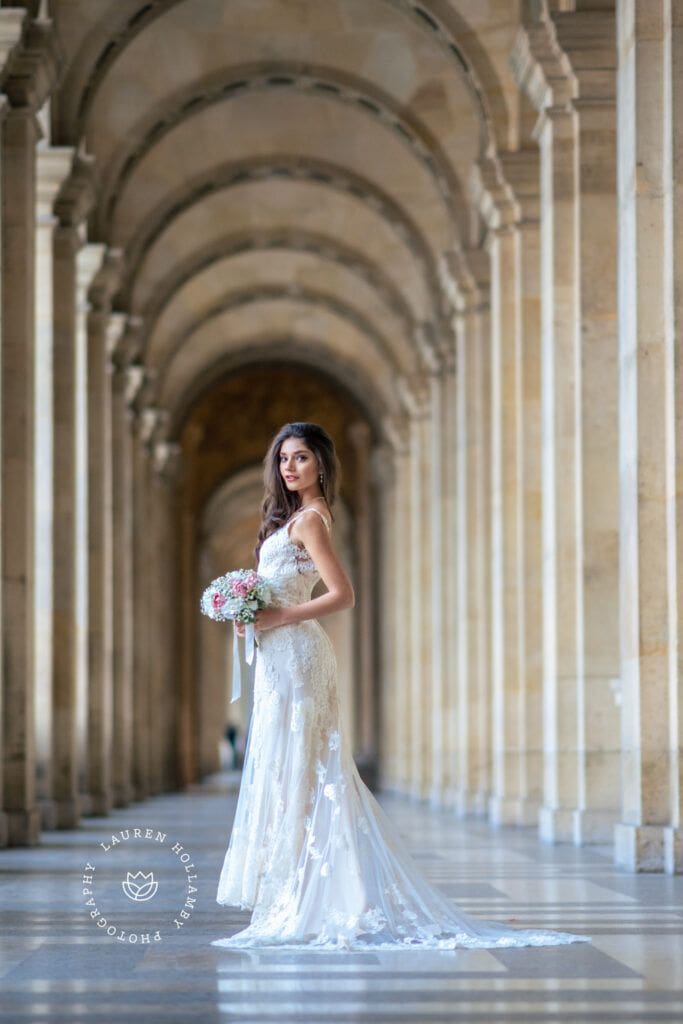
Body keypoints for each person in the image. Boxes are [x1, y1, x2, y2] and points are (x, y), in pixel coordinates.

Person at [211, 421, 591, 951]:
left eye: (300, 457)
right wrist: (248, 613)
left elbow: (343, 594)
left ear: (321, 462)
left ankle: (307, 899)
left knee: (304, 767)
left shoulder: (313, 520)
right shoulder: (292, 518)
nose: (289, 468)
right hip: (277, 658)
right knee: (288, 767)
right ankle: (297, 893)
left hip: (298, 655)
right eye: (282, 459)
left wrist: (278, 617)